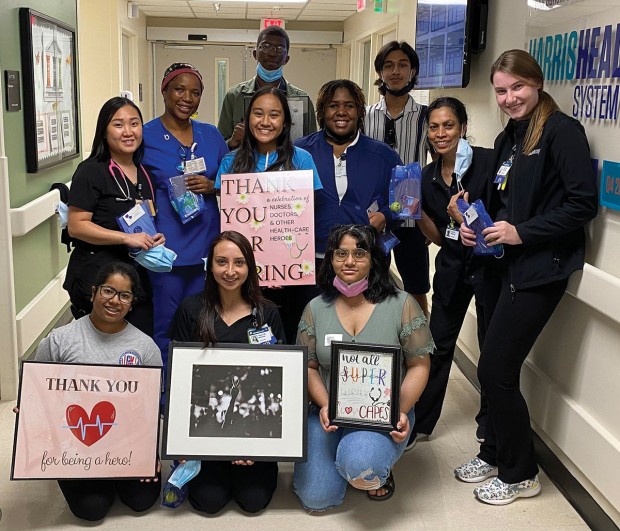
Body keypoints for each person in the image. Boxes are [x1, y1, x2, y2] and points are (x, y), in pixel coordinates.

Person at [454, 49, 598, 505]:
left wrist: (521, 233)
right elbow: (498, 200)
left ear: (536, 84)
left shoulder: (562, 132)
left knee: (497, 370)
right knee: (488, 366)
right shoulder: (511, 136)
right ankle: (494, 450)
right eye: (501, 90)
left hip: (540, 270)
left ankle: (520, 473)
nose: (510, 97)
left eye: (518, 87)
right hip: (502, 266)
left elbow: (581, 206)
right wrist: (470, 222)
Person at [293, 224, 434, 509]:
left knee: (362, 466)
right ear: (330, 259)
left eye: (359, 253)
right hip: (328, 413)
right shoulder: (316, 308)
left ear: (374, 259)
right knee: (317, 498)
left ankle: (368, 460)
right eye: (340, 253)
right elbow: (308, 367)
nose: (349, 261)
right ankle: (346, 457)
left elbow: (419, 365)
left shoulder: (401, 304)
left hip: (383, 415)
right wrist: (325, 405)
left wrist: (399, 412)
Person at [168, 231, 286, 514]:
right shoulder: (191, 309)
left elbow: (278, 383)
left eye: (239, 263)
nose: (230, 271)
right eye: (222, 262)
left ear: (250, 267)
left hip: (254, 425)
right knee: (209, 502)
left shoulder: (266, 313)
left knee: (252, 501)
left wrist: (254, 440)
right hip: (205, 427)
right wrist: (181, 441)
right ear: (210, 266)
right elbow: (179, 378)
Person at [36, 262, 162, 521]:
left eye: (124, 295)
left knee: (142, 501)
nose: (115, 301)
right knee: (91, 509)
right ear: (93, 292)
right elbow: (38, 391)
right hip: (77, 441)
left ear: (132, 302)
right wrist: (30, 410)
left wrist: (149, 452)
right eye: (108, 291)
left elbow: (150, 407)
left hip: (128, 442)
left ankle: (117, 473)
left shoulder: (145, 347)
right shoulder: (60, 340)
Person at [409, 97, 497, 448]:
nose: (441, 133)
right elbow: (437, 238)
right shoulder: (428, 177)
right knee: (437, 347)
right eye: (434, 127)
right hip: (452, 270)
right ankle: (423, 422)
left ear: (462, 127)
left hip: (490, 269)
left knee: (492, 350)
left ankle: (490, 422)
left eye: (448, 125)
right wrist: (416, 214)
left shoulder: (487, 163)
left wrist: (465, 219)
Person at [215, 86, 322, 343]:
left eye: (274, 115)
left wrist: (281, 265)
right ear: (247, 118)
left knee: (289, 339)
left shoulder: (302, 160)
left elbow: (304, 217)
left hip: (291, 279)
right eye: (258, 113)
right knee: (247, 340)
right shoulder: (230, 162)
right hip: (240, 278)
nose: (265, 122)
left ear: (285, 121)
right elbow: (228, 219)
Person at [142, 63, 229, 369]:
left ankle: (197, 396)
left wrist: (212, 186)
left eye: (195, 92)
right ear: (164, 90)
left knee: (205, 326)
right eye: (179, 89)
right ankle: (165, 397)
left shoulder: (211, 135)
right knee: (165, 328)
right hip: (167, 252)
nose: (187, 98)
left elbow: (231, 181)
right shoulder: (145, 135)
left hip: (207, 251)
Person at [64, 97, 164, 336]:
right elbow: (76, 227)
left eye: (134, 123)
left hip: (133, 281)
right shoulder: (91, 172)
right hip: (97, 279)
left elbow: (143, 218)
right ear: (104, 132)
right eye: (118, 125)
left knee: (138, 349)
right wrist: (124, 238)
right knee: (98, 355)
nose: (128, 132)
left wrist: (152, 239)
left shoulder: (145, 175)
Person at [296, 79, 402, 256]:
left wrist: (386, 216)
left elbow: (404, 200)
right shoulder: (300, 152)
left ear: (360, 111)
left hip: (365, 257)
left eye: (349, 106)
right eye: (333, 106)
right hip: (311, 257)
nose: (341, 112)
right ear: (322, 111)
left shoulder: (384, 155)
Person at [366, 40, 431, 316]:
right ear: (380, 72)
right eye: (388, 65)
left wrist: (431, 218)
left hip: (409, 218)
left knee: (416, 288)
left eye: (402, 65)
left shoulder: (426, 117)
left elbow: (441, 169)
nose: (396, 71)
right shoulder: (365, 116)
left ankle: (418, 347)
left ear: (413, 71)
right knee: (369, 286)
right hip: (372, 217)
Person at [217, 26, 317, 150]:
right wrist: (233, 141)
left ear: (286, 59)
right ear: (255, 54)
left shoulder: (302, 100)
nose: (272, 53)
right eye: (266, 47)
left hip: (290, 167)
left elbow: (312, 146)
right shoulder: (235, 96)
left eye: (279, 49)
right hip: (245, 167)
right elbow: (219, 148)